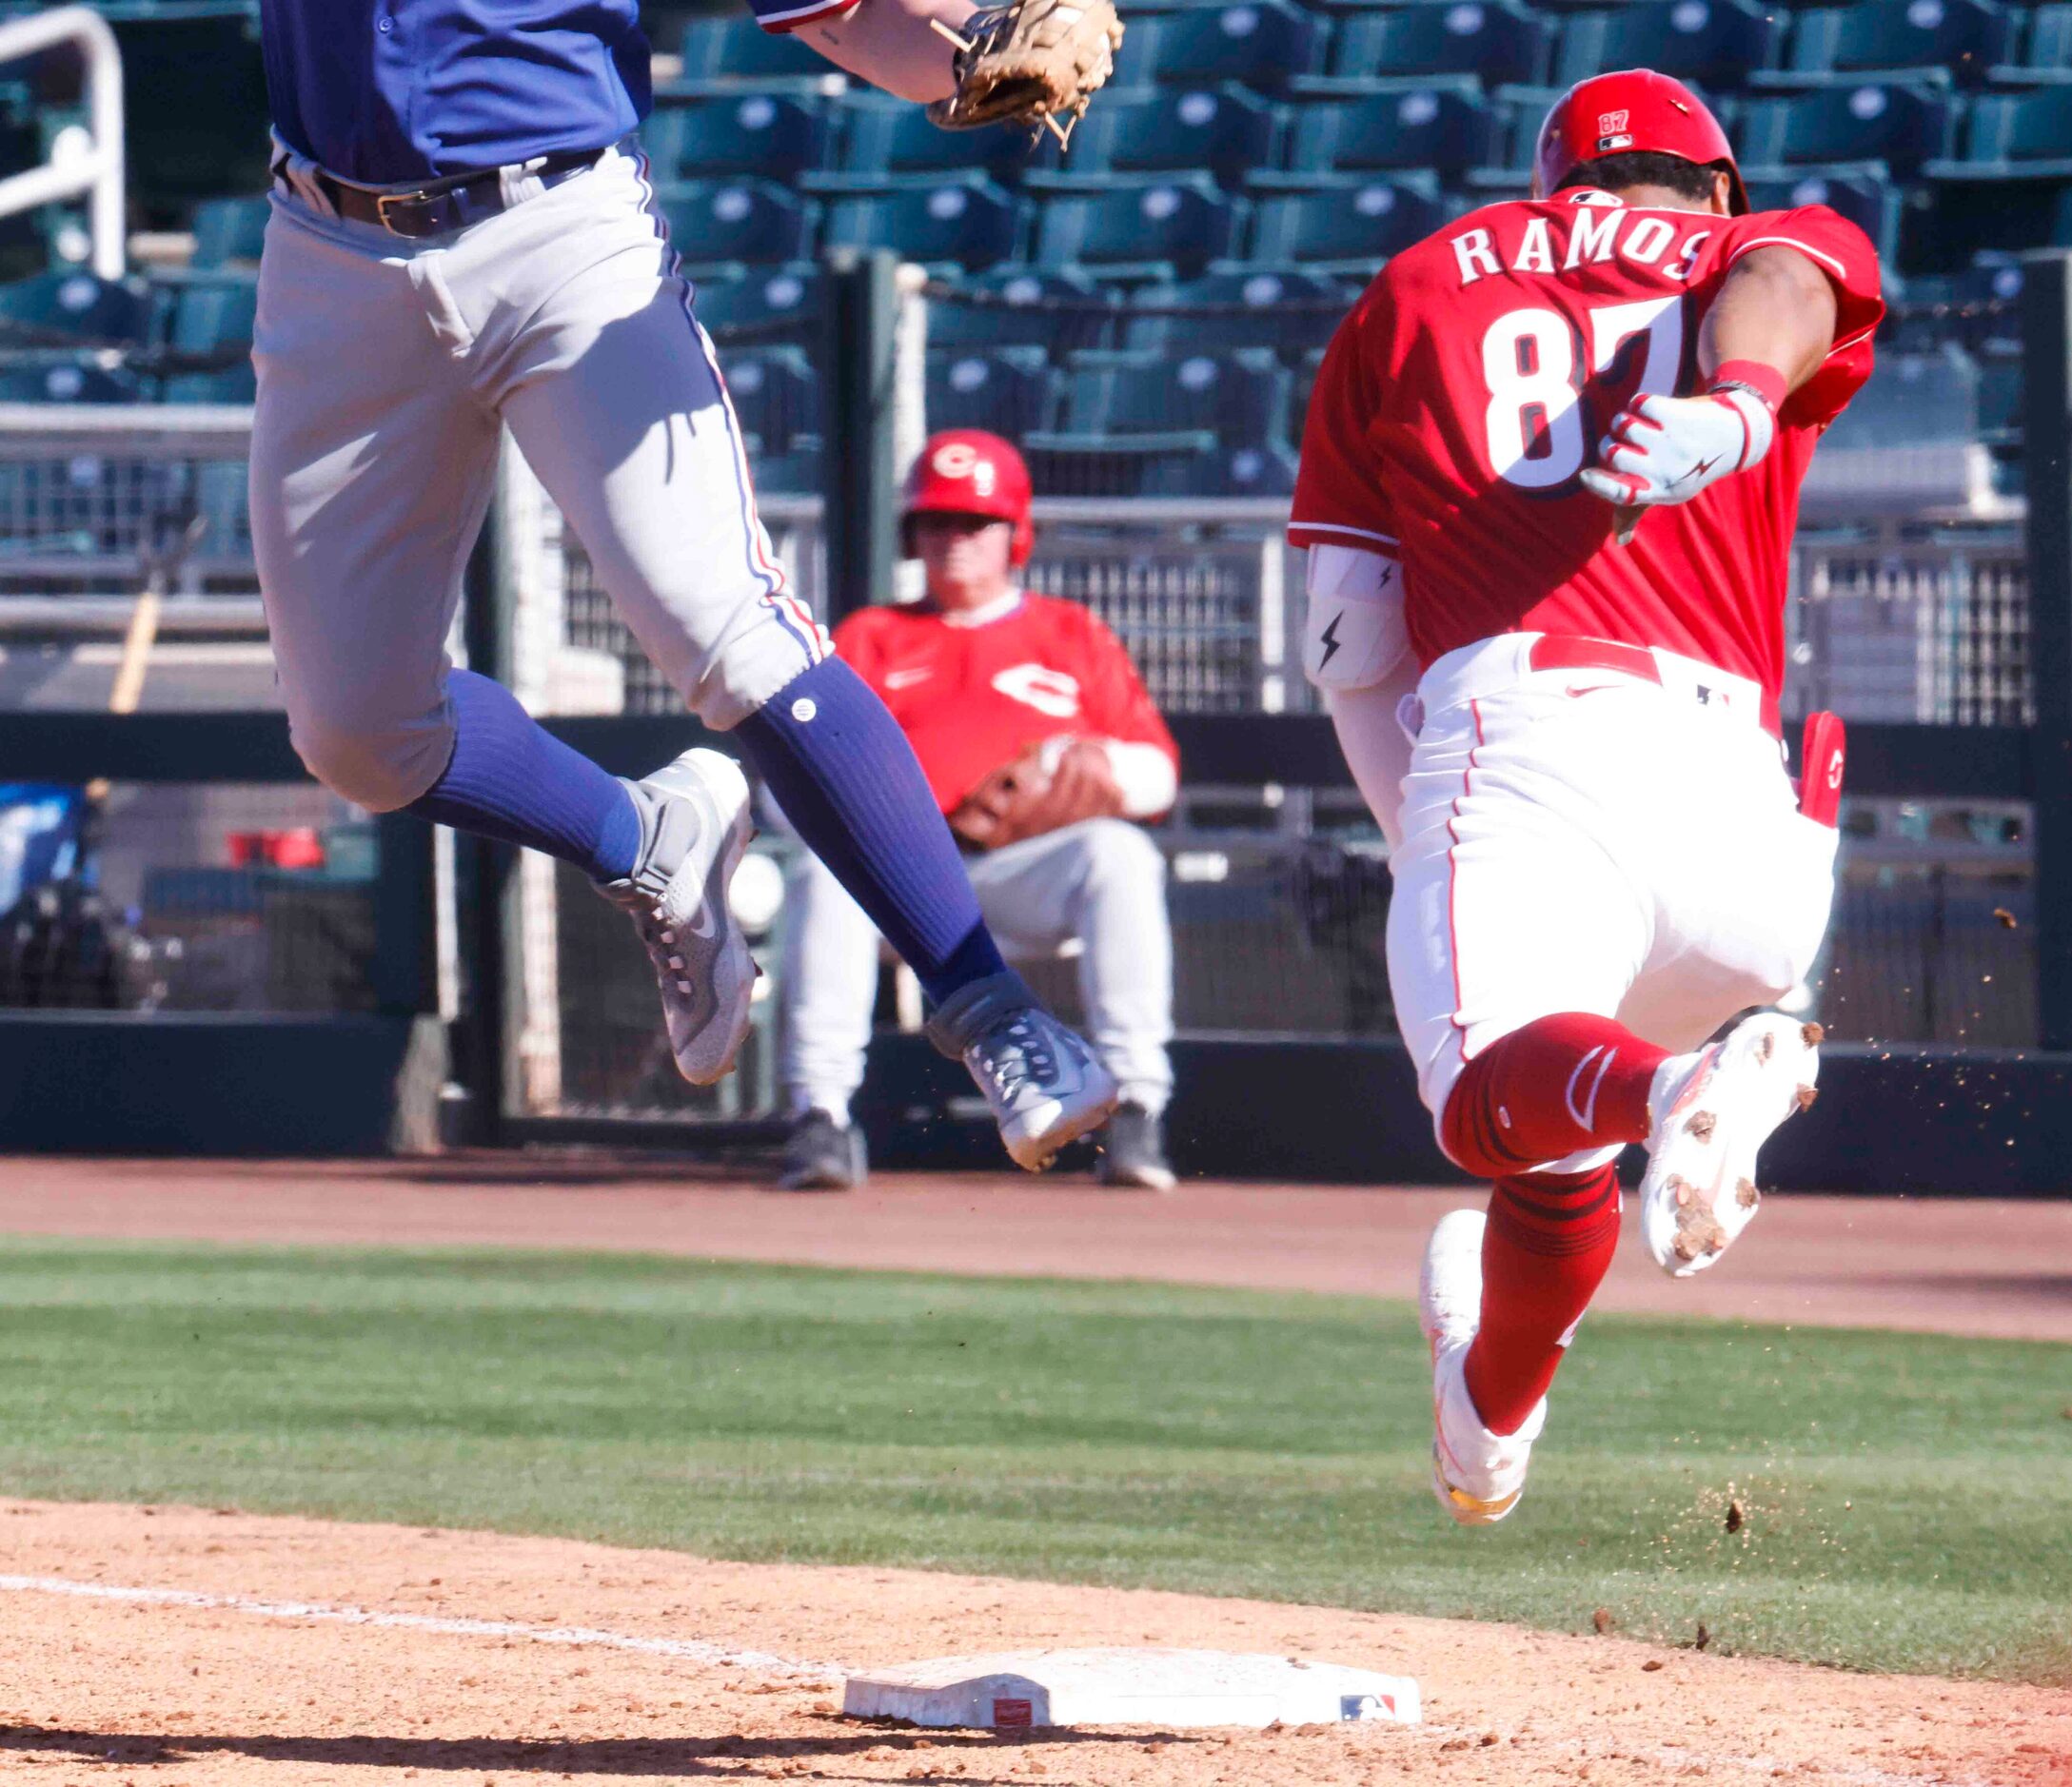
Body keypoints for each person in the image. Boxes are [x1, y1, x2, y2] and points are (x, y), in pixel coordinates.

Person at [246, 0, 1121, 1170]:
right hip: (330, 250)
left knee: (727, 630)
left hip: (557, 228)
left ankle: (994, 1012)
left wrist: (965, 49)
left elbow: (841, 14)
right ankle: (641, 834)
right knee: (355, 734)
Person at [1291, 70, 1881, 1522]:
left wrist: (1423, 831)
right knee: (1558, 1145)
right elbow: (1794, 275)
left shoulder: (1418, 281)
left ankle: (1681, 1082)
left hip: (1537, 737)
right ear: (1716, 183)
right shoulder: (1752, 241)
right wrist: (1738, 410)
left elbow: (1353, 640)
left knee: (1485, 1095)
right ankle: (1487, 1423)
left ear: (1555, 179)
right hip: (1754, 837)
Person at [778, 431, 1181, 1191]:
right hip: (898, 882)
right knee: (821, 875)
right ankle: (819, 1118)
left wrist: (1105, 773)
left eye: (973, 523)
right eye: (936, 523)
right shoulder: (871, 636)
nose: (952, 540)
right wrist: (870, 819)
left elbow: (1157, 771)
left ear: (1014, 533)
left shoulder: (1070, 633)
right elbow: (787, 778)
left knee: (1119, 855)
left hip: (1020, 873)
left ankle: (1135, 1108)